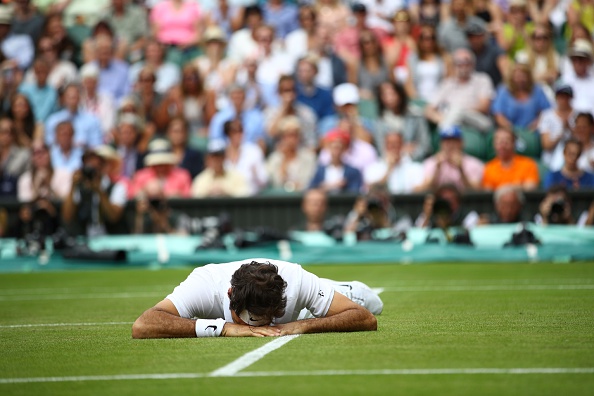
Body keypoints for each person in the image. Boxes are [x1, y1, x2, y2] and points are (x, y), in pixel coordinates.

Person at [132, 258, 382, 338]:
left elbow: (366, 318)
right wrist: (223, 328)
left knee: (372, 301)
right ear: (230, 296)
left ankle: (343, 288)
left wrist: (301, 325)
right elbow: (143, 324)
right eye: (251, 320)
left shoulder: (295, 279)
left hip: (313, 300)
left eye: (268, 319)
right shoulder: (204, 283)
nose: (261, 328)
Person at [424, 48, 495, 133]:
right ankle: (446, 130)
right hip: (451, 119)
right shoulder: (447, 84)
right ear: (454, 65)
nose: (463, 66)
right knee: (453, 115)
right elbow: (429, 110)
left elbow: (484, 107)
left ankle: (444, 134)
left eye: (466, 62)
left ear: (473, 64)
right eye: (459, 63)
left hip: (478, 120)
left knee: (457, 112)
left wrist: (459, 111)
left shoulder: (482, 79)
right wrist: (442, 118)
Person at [61, 148, 128, 237]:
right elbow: (67, 217)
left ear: (103, 167)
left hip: (111, 239)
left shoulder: (117, 187)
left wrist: (99, 191)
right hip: (84, 239)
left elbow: (113, 216)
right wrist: (73, 186)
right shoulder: (80, 188)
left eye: (96, 167)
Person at [415, 125, 484, 193]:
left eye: (454, 141)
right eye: (446, 141)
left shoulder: (474, 163)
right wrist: (437, 169)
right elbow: (423, 190)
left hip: (466, 202)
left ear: (461, 143)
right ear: (440, 144)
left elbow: (477, 190)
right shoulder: (431, 162)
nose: (450, 145)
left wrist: (461, 169)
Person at [376, 80, 431, 161]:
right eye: (385, 95)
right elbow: (382, 150)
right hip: (390, 163)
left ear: (400, 95)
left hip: (414, 163)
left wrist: (409, 156)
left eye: (392, 94)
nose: (389, 98)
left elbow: (425, 146)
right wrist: (400, 153)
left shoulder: (416, 116)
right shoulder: (380, 121)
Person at [492, 62, 551, 131]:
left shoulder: (537, 90)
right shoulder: (503, 91)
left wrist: (535, 125)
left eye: (523, 76)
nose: (520, 79)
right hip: (509, 131)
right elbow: (498, 114)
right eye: (517, 76)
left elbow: (546, 112)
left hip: (533, 131)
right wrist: (512, 130)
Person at [264, 74, 317, 150]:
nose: (289, 95)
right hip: (279, 154)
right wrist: (284, 109)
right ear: (279, 93)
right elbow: (271, 134)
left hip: (301, 152)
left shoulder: (306, 113)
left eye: (292, 90)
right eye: (285, 91)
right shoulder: (270, 112)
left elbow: (311, 141)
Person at [266, 115, 317, 193]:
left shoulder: (309, 157)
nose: (291, 139)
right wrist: (284, 161)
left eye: (295, 135)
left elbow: (307, 182)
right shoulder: (274, 158)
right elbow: (276, 183)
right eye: (287, 135)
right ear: (282, 138)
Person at [309, 129, 363, 194]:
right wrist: (333, 186)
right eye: (334, 147)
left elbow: (355, 191)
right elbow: (311, 188)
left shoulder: (353, 172)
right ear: (328, 148)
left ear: (344, 149)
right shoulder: (320, 170)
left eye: (339, 148)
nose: (336, 152)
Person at [538, 83, 575, 170]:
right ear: (556, 97)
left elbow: (584, 141)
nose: (564, 100)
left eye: (567, 97)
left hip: (575, 156)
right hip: (551, 158)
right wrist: (562, 131)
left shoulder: (579, 115)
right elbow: (546, 145)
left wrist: (570, 129)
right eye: (561, 96)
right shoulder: (547, 115)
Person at [560, 39, 594, 113]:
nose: (578, 63)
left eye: (581, 59)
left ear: (588, 61)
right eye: (575, 59)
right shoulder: (564, 81)